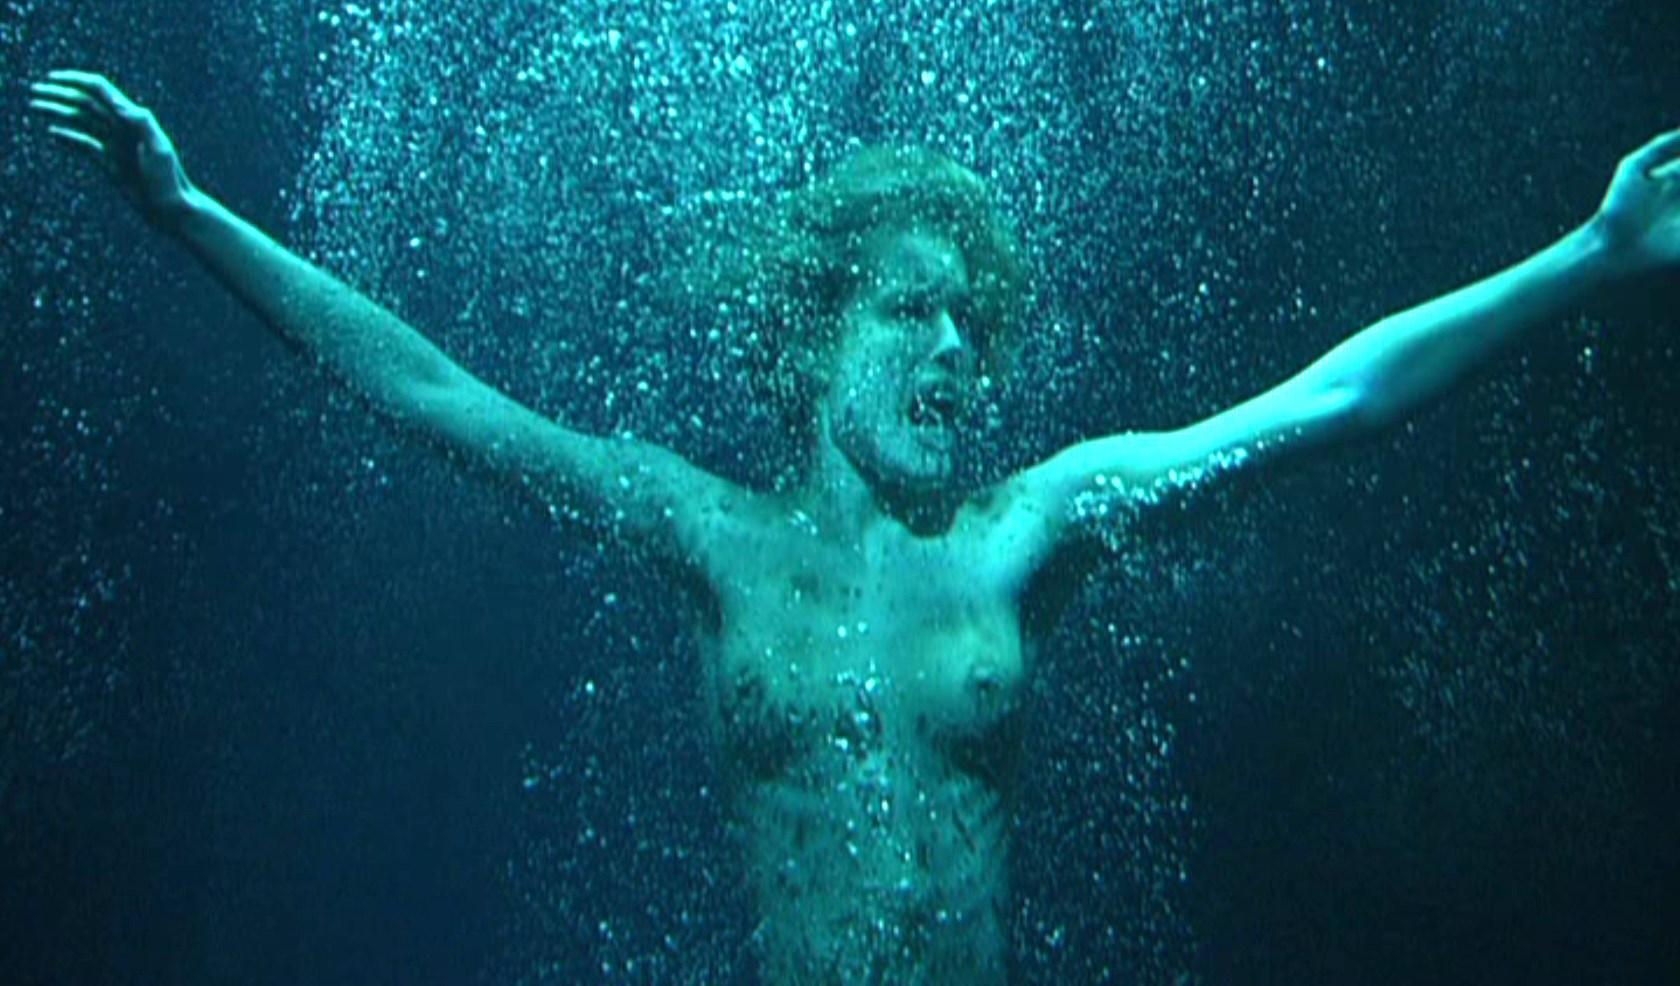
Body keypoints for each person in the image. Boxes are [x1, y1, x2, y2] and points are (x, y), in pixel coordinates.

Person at [25, 69, 1680, 985]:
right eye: (912, 312)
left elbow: (1331, 404)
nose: (957, 351)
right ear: (818, 338)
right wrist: (188, 211)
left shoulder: (1027, 528)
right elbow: (438, 395)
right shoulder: (712, 535)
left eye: (974, 325)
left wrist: (1588, 255)